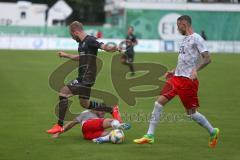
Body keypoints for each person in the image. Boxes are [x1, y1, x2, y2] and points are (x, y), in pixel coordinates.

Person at [133, 15, 220, 148]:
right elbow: (185, 60)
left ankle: (213, 131)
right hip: (176, 79)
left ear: (184, 24)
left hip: (187, 82)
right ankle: (149, 136)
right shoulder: (185, 39)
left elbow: (207, 58)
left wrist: (196, 70)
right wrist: (173, 71)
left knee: (192, 114)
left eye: (178, 25)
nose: (177, 28)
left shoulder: (197, 38)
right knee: (158, 103)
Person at [47, 21, 122, 134]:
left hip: (87, 78)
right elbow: (81, 57)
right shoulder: (81, 44)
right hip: (82, 77)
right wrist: (66, 55)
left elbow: (103, 46)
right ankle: (111, 109)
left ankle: (59, 125)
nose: (72, 38)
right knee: (85, 104)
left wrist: (113, 48)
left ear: (76, 32)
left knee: (64, 92)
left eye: (72, 35)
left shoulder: (90, 40)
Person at [52, 110, 131, 144]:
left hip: (87, 135)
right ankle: (118, 124)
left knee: (114, 134)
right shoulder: (87, 113)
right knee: (112, 121)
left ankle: (103, 139)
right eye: (101, 111)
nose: (103, 113)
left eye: (104, 112)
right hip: (87, 125)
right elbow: (72, 123)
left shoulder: (98, 117)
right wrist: (58, 133)